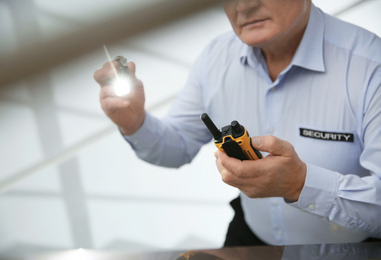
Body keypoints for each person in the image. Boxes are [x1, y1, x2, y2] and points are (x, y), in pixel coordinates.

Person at [94, 0, 381, 246]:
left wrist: (301, 184)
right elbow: (177, 147)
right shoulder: (215, 58)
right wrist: (136, 123)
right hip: (249, 238)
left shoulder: (371, 67)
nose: (243, 6)